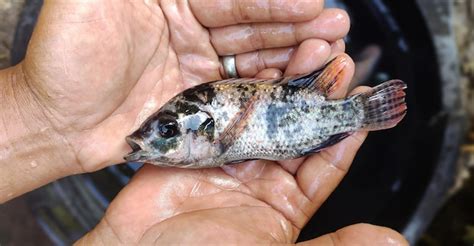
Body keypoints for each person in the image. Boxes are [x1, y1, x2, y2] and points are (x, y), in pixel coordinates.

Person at [0, 1, 408, 244]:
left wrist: (38, 117)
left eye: (167, 130)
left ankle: (362, 111)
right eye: (165, 131)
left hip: (302, 122)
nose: (154, 139)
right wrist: (39, 112)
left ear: (205, 132)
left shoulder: (217, 137)